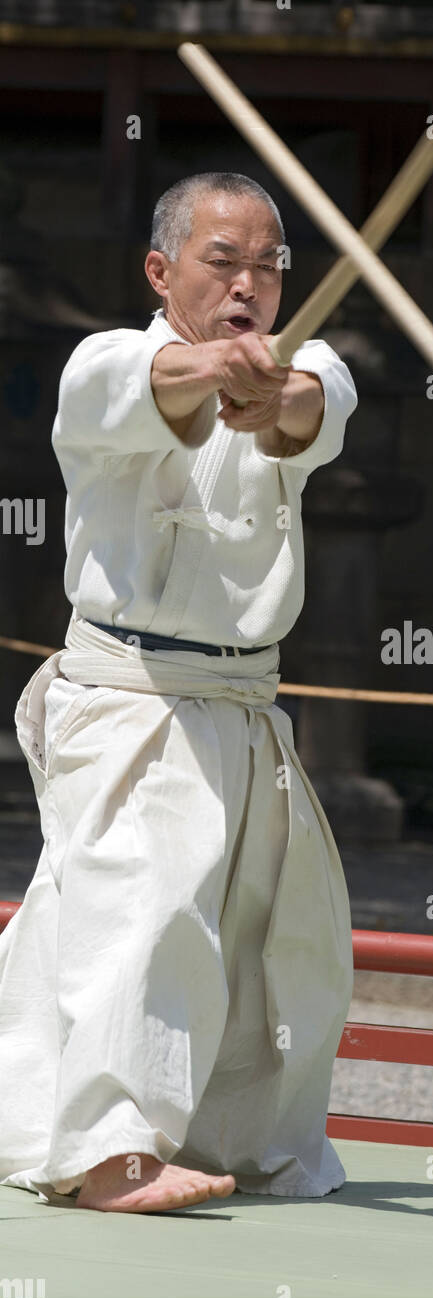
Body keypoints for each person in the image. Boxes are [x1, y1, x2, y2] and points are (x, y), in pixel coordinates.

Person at [0, 171, 358, 1214]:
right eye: (223, 260)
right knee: (142, 906)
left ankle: (216, 1136)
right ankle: (108, 1151)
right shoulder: (103, 360)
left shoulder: (310, 360)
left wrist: (271, 392)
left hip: (243, 710)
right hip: (132, 698)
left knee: (273, 942)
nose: (251, 283)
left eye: (269, 265)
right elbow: (147, 387)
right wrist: (212, 371)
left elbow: (316, 405)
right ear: (162, 270)